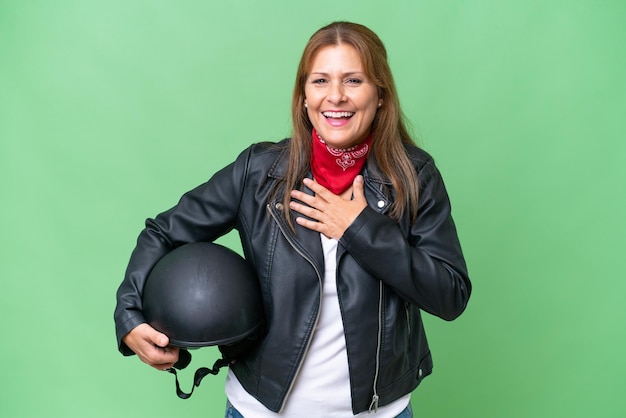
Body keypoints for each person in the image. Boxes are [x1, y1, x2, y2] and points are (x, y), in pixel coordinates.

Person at [114, 21, 471, 418]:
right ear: (303, 96)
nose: (335, 96)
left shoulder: (414, 176)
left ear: (380, 95)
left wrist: (360, 228)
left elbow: (450, 294)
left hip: (379, 412)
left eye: (353, 80)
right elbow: (163, 231)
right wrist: (129, 317)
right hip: (259, 411)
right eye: (320, 81)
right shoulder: (259, 172)